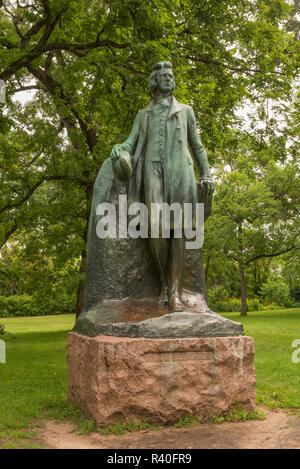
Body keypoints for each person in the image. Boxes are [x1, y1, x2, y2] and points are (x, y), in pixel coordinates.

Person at [110, 61, 214, 311]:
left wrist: (207, 174)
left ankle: (175, 292)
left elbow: (197, 145)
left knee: (178, 230)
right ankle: (166, 285)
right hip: (152, 171)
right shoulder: (143, 115)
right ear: (154, 83)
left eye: (171, 75)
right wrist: (119, 150)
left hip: (181, 171)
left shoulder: (185, 110)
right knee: (155, 229)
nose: (169, 78)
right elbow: (130, 143)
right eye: (163, 76)